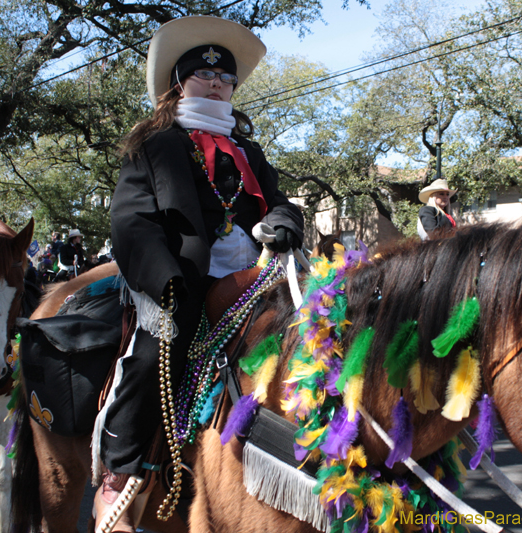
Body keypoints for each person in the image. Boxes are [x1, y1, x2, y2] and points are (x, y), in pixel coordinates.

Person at [94, 16, 304, 530]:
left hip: (255, 277)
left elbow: (281, 205)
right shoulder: (155, 144)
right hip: (177, 281)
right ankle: (117, 476)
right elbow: (132, 221)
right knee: (154, 353)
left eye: (225, 78)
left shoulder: (249, 151)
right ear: (180, 83)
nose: (216, 83)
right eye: (204, 75)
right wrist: (162, 276)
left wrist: (281, 222)